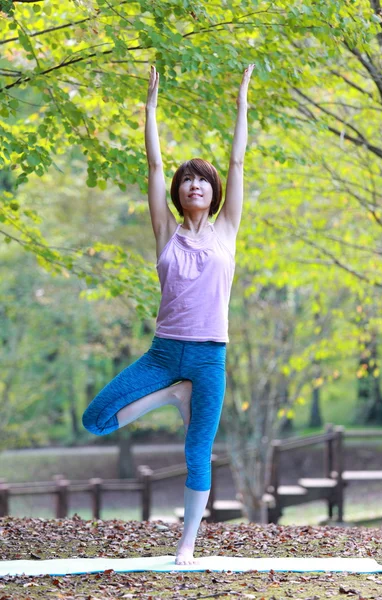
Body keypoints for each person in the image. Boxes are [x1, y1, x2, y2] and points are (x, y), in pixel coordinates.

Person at [82, 63, 255, 565]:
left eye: (202, 180)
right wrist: (151, 111)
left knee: (197, 454)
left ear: (213, 191)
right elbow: (154, 169)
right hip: (163, 355)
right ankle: (170, 395)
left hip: (208, 359)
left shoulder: (226, 232)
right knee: (96, 419)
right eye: (187, 181)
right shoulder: (165, 233)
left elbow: (238, 162)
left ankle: (187, 545)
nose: (194, 185)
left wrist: (242, 105)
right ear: (179, 193)